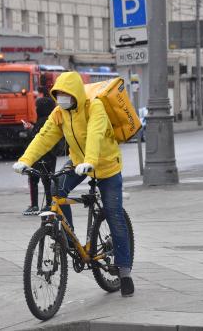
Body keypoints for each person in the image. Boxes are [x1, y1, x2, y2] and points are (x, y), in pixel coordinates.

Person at [12, 71, 134, 297]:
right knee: (57, 188)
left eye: (65, 94)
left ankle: (125, 272)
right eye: (58, 94)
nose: (61, 98)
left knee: (113, 213)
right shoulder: (60, 113)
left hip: (106, 164)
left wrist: (91, 161)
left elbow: (96, 133)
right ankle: (68, 238)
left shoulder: (94, 107)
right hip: (79, 161)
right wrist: (25, 160)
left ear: (75, 93)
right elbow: (44, 136)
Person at [22, 93, 57, 216]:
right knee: (47, 179)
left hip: (39, 156)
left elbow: (36, 137)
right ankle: (48, 203)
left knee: (33, 179)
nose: (36, 109)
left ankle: (35, 205)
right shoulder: (50, 120)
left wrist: (29, 130)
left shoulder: (42, 121)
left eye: (37, 107)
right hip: (50, 156)